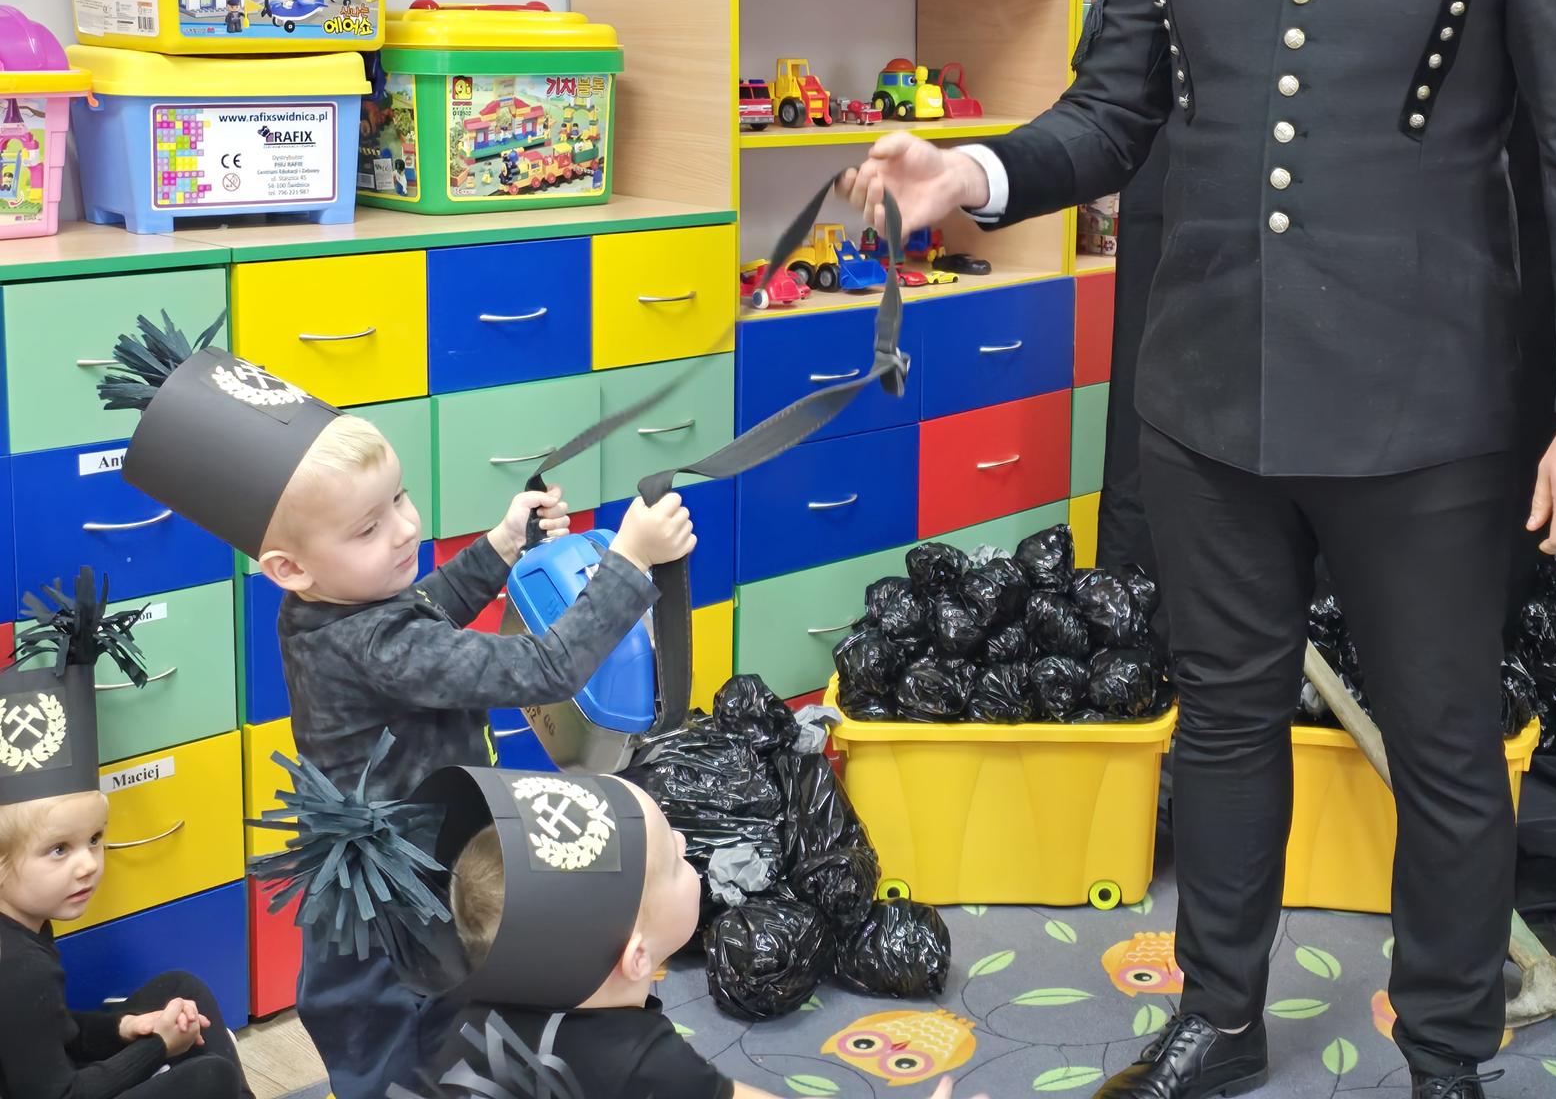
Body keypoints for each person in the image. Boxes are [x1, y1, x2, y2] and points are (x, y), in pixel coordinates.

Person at [841, 0, 1556, 1099]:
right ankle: (1217, 1019)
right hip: (1209, 397)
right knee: (1221, 723)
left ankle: (1447, 1052)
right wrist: (972, 176)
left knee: (1443, 745)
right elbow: (1109, 116)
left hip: (1424, 411)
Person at [97, 321, 699, 1099]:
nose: (407, 526)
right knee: (404, 1047)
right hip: (396, 900)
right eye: (370, 526)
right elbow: (544, 668)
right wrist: (630, 562)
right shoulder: (374, 642)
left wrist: (501, 544)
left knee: (406, 1025)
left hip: (393, 870)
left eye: (400, 497)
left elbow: (423, 610)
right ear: (289, 567)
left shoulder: (330, 606)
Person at [257, 756, 990, 1099]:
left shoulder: (470, 1000)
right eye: (673, 859)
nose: (688, 849)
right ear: (638, 955)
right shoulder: (638, 1060)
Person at [0, 572, 254, 1099]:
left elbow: (53, 1033)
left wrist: (128, 1028)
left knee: (180, 991)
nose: (88, 864)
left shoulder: (23, 925)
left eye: (94, 839)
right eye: (59, 849)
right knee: (211, 1077)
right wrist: (156, 1048)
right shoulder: (18, 968)